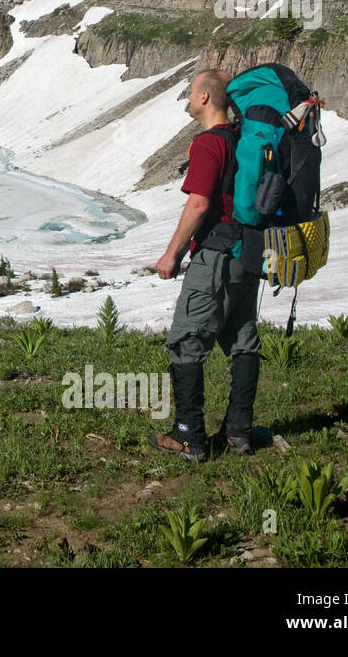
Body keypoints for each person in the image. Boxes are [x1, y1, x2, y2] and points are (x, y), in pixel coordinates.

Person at [149, 68, 260, 462]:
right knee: (243, 339)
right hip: (248, 256)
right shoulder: (244, 139)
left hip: (214, 256)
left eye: (192, 91)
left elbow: (199, 203)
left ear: (205, 98)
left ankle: (188, 436)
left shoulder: (210, 144)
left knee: (186, 340)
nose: (188, 97)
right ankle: (239, 434)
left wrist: (173, 253)